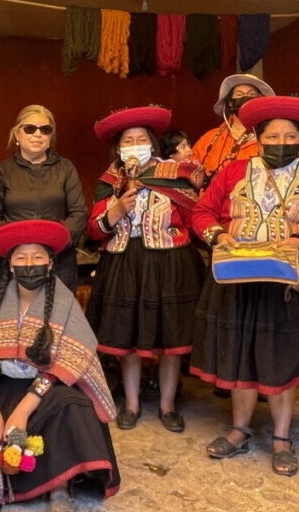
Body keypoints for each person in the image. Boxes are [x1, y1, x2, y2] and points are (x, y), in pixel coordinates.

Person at [191, 96, 299, 477]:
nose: (281, 141)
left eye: (290, 135)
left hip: (287, 282)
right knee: (240, 354)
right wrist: (217, 236)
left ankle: (281, 439)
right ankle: (239, 430)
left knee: (281, 357)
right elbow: (202, 211)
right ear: (258, 139)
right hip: (239, 278)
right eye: (273, 135)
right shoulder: (232, 174)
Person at [0, 220, 119, 512]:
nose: (29, 264)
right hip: (6, 386)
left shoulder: (64, 303)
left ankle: (60, 488)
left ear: (50, 263)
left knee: (71, 406)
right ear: (9, 266)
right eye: (20, 258)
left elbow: (60, 366)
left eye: (37, 257)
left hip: (49, 389)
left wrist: (23, 411)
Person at [84, 106, 205, 433]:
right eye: (127, 140)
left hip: (169, 263)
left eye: (140, 139)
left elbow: (198, 217)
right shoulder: (112, 179)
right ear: (119, 148)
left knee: (170, 340)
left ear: (152, 143)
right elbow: (95, 229)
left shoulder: (176, 174)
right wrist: (118, 207)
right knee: (129, 337)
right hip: (124, 262)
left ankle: (167, 405)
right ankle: (133, 403)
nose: (134, 144)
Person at [0, 105, 86, 290]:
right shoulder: (2, 171)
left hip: (59, 261)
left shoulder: (66, 168)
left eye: (45, 129)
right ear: (17, 134)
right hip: (13, 262)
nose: (38, 134)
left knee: (57, 317)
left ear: (50, 136)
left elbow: (79, 213)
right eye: (30, 128)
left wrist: (53, 242)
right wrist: (20, 246)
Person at [191, 74, 299, 185]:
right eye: (238, 94)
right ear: (229, 103)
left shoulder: (285, 138)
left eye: (252, 94)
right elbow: (189, 173)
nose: (245, 97)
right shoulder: (210, 138)